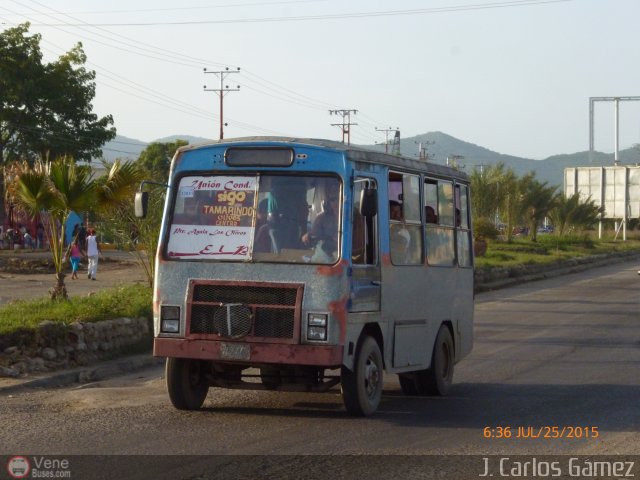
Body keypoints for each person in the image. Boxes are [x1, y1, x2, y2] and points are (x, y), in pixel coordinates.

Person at [302, 193, 339, 263]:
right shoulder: (321, 218)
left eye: (338, 198)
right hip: (326, 254)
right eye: (332, 200)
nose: (335, 202)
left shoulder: (354, 217)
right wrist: (307, 236)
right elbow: (314, 235)